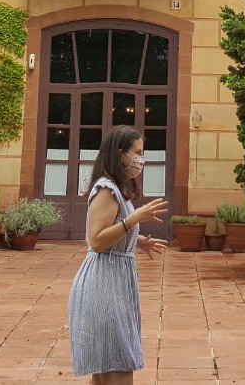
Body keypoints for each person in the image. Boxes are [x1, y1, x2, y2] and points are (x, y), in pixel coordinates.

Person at [68, 125, 170, 384]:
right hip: (104, 285)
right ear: (120, 154)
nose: (141, 160)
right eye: (137, 153)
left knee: (109, 367)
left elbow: (112, 231)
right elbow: (96, 240)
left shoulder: (117, 188)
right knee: (117, 364)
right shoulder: (106, 189)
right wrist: (134, 219)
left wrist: (137, 241)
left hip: (115, 281)